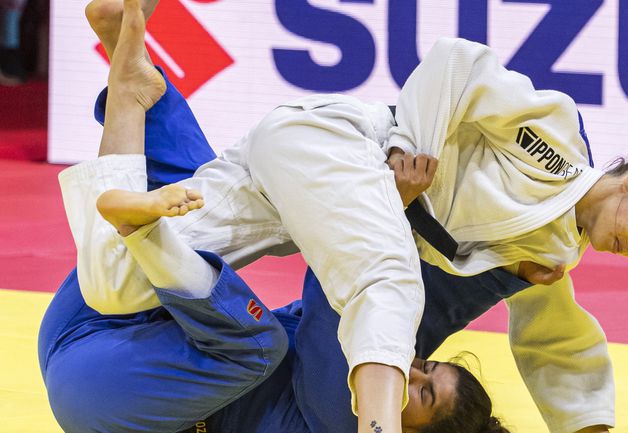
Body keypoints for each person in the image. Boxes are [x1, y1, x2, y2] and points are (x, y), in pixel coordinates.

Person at [75, 1, 628, 433]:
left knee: (119, 280)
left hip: (292, 176)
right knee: (389, 284)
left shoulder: (552, 254)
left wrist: (588, 423)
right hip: (343, 150)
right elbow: (457, 63)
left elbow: (557, 337)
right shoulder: (557, 145)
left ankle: (135, 86)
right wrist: (409, 147)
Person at [39, 3, 509, 432]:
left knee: (261, 342)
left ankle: (141, 227)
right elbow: (433, 308)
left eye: (423, 393)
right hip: (108, 317)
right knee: (206, 206)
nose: (412, 371)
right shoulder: (388, 369)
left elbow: (347, 267)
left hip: (110, 391)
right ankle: (135, 80)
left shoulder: (349, 417)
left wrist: (388, 203)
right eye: (427, 366)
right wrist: (512, 271)